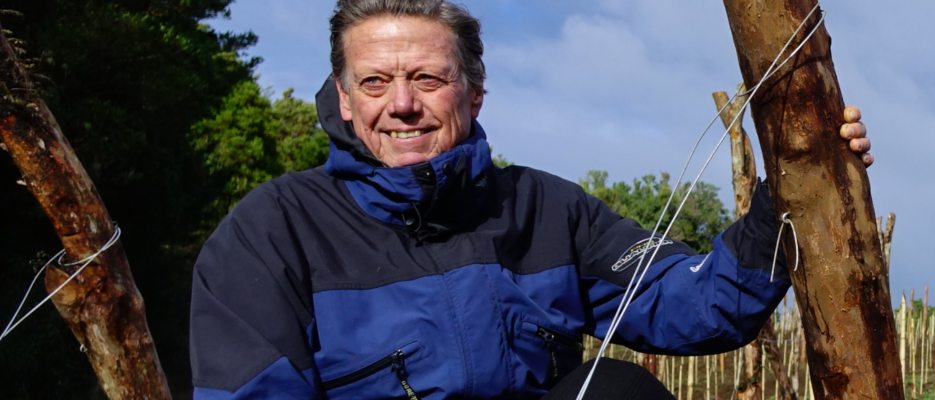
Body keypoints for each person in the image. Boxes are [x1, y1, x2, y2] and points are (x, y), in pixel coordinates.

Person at [187, 1, 873, 397]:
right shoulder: (270, 232)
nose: (401, 105)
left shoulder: (547, 209)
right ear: (342, 98)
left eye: (428, 78)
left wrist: (795, 187)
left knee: (618, 393)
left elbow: (693, 306)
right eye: (374, 83)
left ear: (474, 92)